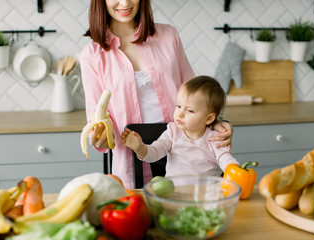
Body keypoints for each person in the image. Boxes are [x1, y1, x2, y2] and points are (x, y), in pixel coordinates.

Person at [79, 0, 234, 189]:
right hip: (131, 160)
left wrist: (215, 121)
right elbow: (97, 117)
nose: (125, 2)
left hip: (185, 160)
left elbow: (196, 95)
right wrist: (99, 137)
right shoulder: (92, 55)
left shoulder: (169, 36)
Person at [121, 76, 239, 177]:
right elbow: (155, 153)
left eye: (190, 111)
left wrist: (234, 168)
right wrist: (140, 148)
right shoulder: (172, 132)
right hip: (176, 194)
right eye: (178, 106)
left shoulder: (214, 137)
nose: (180, 114)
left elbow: (225, 158)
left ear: (209, 118)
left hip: (207, 194)